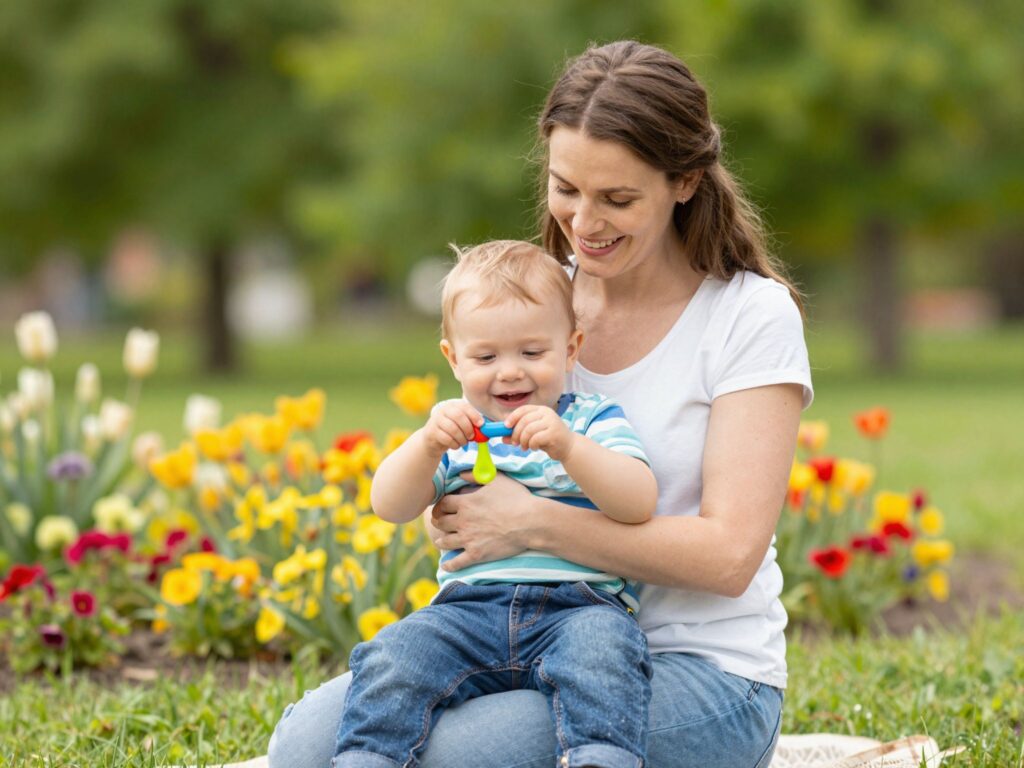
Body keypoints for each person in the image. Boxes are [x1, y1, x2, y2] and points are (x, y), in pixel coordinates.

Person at [268, 40, 813, 768]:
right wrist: (449, 493)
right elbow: (450, 483)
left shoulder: (748, 314)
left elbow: (729, 557)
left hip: (701, 672)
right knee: (304, 746)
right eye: (566, 188)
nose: (584, 222)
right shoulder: (537, 304)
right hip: (508, 639)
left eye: (617, 199)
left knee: (447, 759)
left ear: (684, 182)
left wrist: (531, 524)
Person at [334, 240, 657, 768]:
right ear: (453, 358)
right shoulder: (456, 431)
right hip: (467, 611)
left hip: (578, 609)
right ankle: (369, 759)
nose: (509, 372)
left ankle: (600, 757)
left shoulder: (589, 420)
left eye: (532, 353)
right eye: (486, 357)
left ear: (570, 349)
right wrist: (426, 445)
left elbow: (638, 501)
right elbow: (388, 504)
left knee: (605, 656)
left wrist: (569, 448)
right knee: (393, 655)